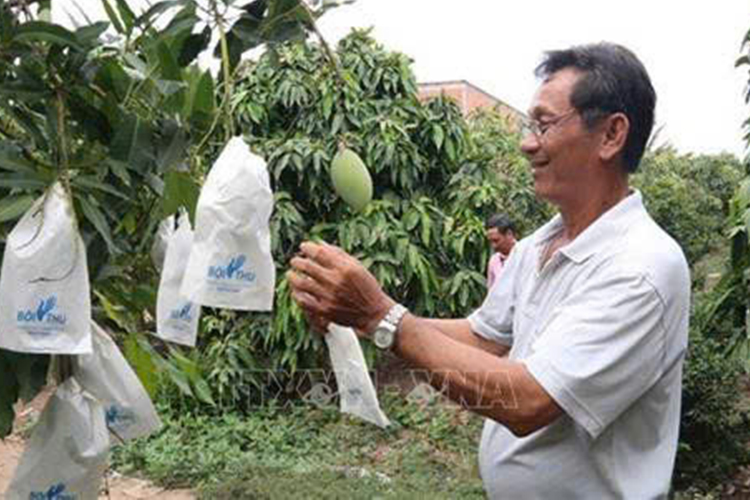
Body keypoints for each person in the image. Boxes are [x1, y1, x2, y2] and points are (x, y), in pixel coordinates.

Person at [288, 42, 690, 499]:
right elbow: (484, 338)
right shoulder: (539, 244)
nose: (526, 142)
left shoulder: (640, 267)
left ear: (611, 135)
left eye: (543, 123)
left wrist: (382, 317)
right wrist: (360, 317)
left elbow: (527, 400)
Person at [484, 213, 518, 289]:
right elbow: (491, 292)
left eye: (496, 240)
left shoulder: (526, 255)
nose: (493, 246)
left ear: (509, 234)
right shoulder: (494, 261)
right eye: (491, 241)